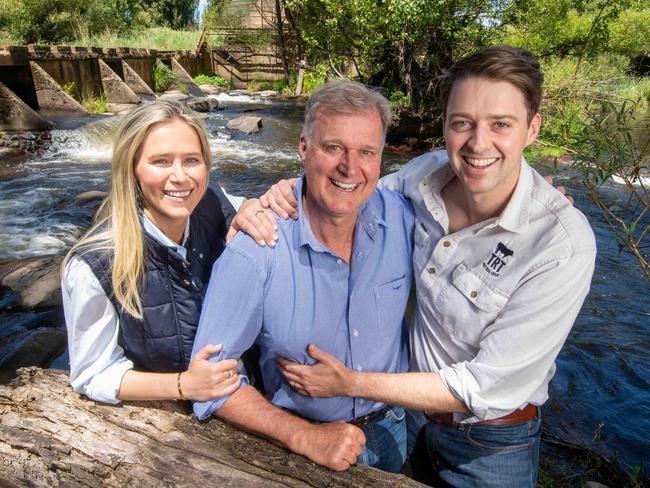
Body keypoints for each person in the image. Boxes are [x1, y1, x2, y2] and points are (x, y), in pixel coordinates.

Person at [258, 45, 597, 487]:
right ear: (445, 126)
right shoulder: (424, 175)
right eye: (463, 123)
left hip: (493, 446)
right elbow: (347, 189)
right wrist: (276, 197)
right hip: (412, 421)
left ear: (532, 129)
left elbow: (483, 388)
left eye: (501, 125)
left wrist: (349, 383)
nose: (478, 143)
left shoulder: (561, 245)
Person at [191, 80, 415, 473]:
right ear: (303, 148)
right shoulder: (255, 249)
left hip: (395, 426)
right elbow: (209, 385)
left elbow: (474, 191)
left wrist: (540, 201)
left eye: (367, 152)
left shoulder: (405, 219)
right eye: (333, 148)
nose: (350, 167)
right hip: (299, 444)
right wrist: (302, 436)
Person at [62, 100, 245, 404]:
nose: (181, 177)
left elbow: (267, 205)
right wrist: (184, 385)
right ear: (133, 169)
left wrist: (259, 206)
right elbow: (94, 374)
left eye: (191, 160)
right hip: (176, 416)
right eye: (161, 161)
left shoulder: (214, 203)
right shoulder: (94, 266)